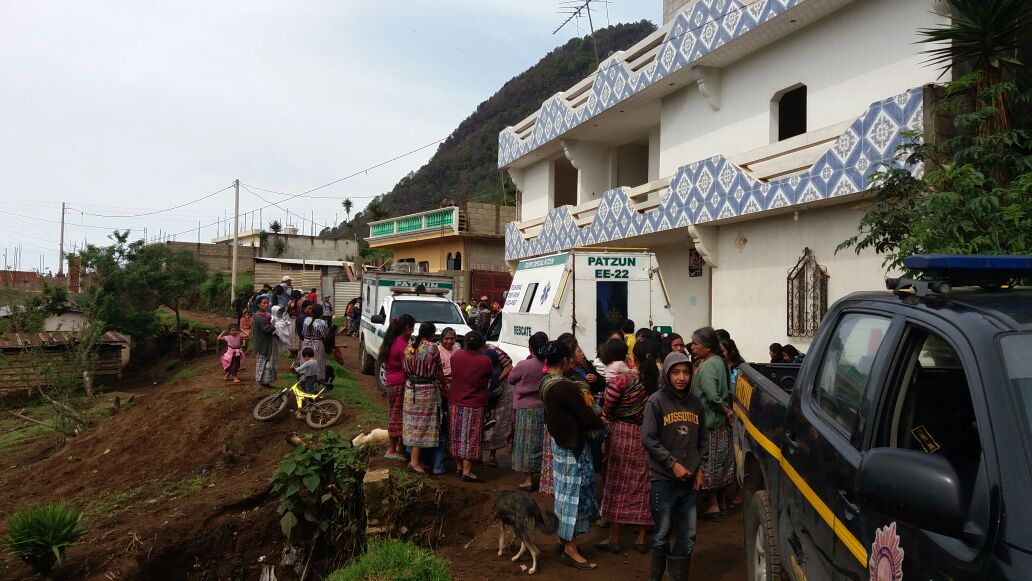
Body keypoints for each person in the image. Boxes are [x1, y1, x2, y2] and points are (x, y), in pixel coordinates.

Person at [642, 351, 707, 581]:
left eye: (686, 372)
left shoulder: (696, 403)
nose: (681, 378)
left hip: (689, 482)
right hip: (664, 480)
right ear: (666, 374)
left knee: (688, 536)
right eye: (676, 372)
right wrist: (672, 464)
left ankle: (676, 577)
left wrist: (700, 469)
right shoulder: (656, 402)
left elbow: (703, 440)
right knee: (661, 534)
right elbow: (648, 439)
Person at [539, 340, 604, 570]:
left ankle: (563, 540)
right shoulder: (564, 386)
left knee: (564, 495)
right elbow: (585, 415)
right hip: (572, 447)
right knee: (572, 499)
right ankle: (570, 549)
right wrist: (598, 417)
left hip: (561, 444)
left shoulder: (546, 381)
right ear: (566, 361)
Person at [597, 339, 659, 556]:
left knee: (616, 482)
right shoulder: (657, 384)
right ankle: (641, 538)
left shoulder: (624, 381)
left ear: (636, 359)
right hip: (647, 436)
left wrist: (609, 415)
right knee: (643, 484)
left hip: (622, 434)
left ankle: (614, 537)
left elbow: (608, 405)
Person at [690, 326, 734, 521]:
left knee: (711, 464)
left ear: (707, 347)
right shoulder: (718, 361)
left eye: (695, 344)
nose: (691, 347)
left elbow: (712, 395)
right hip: (720, 423)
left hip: (711, 422)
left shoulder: (707, 366)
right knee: (723, 464)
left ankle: (714, 505)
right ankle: (721, 503)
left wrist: (724, 410)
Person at [448, 331, 494, 482]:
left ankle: (459, 467)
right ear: (481, 345)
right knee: (471, 437)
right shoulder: (485, 361)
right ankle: (467, 471)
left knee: (456, 435)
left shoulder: (456, 356)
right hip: (474, 404)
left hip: (455, 401)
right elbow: (489, 376)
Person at [402, 322, 446, 475]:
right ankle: (414, 463)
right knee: (422, 425)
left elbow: (405, 366)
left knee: (413, 424)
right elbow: (439, 370)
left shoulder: (410, 346)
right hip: (426, 391)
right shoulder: (432, 348)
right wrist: (445, 386)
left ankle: (415, 460)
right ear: (433, 334)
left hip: (411, 390)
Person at [509, 331, 548, 490]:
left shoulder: (524, 365)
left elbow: (511, 379)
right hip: (543, 408)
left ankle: (528, 479)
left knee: (525, 444)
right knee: (540, 443)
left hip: (525, 409)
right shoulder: (548, 365)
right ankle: (543, 477)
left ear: (530, 348)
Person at [378, 314, 415, 462]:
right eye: (412, 328)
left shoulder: (394, 341)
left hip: (392, 382)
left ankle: (398, 447)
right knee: (397, 415)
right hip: (400, 383)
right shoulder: (402, 344)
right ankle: (391, 449)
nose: (412, 331)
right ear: (407, 328)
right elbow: (409, 362)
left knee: (397, 414)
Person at [482, 345, 514, 467]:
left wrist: (496, 381)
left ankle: (492, 454)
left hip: (500, 392)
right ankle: (477, 454)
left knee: (497, 424)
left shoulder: (496, 353)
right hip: (485, 391)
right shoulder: (475, 353)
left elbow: (509, 367)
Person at [251, 296, 278, 387]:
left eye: (267, 303)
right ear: (259, 304)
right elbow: (267, 329)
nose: (266, 305)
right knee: (264, 363)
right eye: (264, 303)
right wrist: (273, 324)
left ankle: (266, 381)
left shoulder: (265, 315)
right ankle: (263, 381)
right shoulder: (259, 317)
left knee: (267, 362)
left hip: (266, 342)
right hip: (262, 343)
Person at [300, 304, 329, 381]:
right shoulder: (322, 322)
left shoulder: (306, 320)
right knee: (317, 362)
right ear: (321, 313)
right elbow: (325, 334)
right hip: (317, 344)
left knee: (305, 360)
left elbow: (303, 332)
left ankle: (304, 379)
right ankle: (315, 380)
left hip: (306, 343)